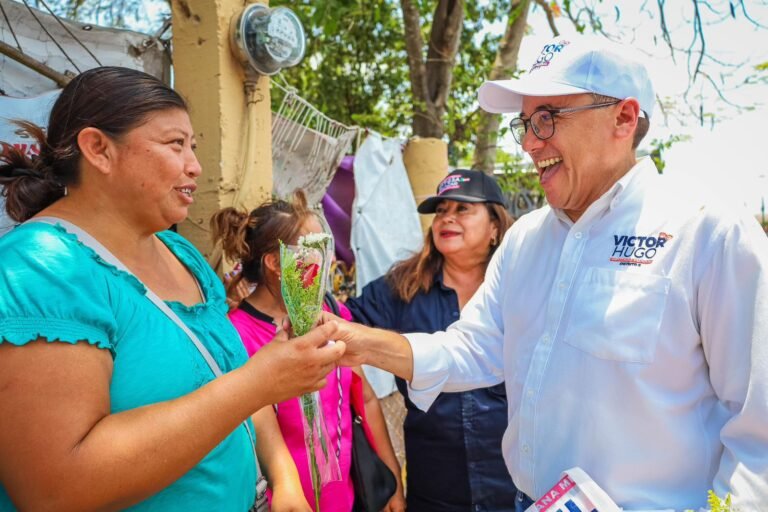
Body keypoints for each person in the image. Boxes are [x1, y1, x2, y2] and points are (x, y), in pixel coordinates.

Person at [320, 36, 768, 510]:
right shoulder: (526, 240)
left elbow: (758, 428)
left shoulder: (706, 232)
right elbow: (474, 346)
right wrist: (359, 342)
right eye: (525, 123)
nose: (531, 143)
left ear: (623, 117)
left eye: (548, 118)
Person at [0, 66, 345, 511]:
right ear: (99, 149)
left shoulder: (180, 253)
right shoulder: (40, 267)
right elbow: (55, 489)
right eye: (175, 144)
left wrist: (284, 477)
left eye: (194, 146)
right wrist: (261, 382)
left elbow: (227, 376)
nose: (194, 166)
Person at [210, 193, 406, 512]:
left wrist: (391, 477)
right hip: (285, 501)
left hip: (349, 496)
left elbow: (364, 397)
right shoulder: (237, 334)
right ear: (276, 262)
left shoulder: (330, 313)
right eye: (316, 248)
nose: (327, 260)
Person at [344, 169, 516, 511]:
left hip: (515, 488)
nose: (447, 218)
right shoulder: (402, 287)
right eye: (440, 211)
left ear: (495, 227)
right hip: (433, 489)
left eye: (462, 209)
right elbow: (339, 325)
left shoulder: (522, 286)